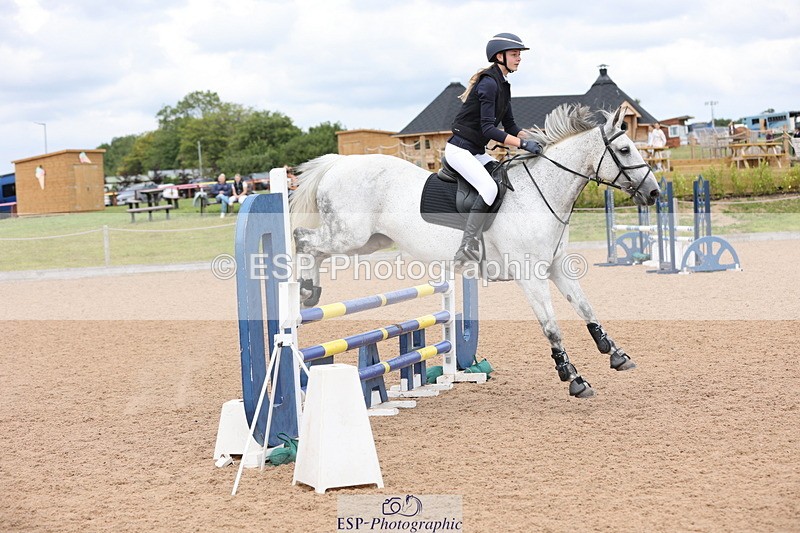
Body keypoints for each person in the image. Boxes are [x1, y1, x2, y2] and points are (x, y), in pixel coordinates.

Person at [447, 32, 542, 266]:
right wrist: (522, 145)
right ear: (500, 57)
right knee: (489, 188)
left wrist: (539, 139)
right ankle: (467, 245)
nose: (519, 58)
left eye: (519, 54)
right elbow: (489, 129)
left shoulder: (503, 85)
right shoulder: (489, 84)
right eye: (515, 54)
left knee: (505, 179)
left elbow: (511, 127)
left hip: (476, 152)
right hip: (459, 151)